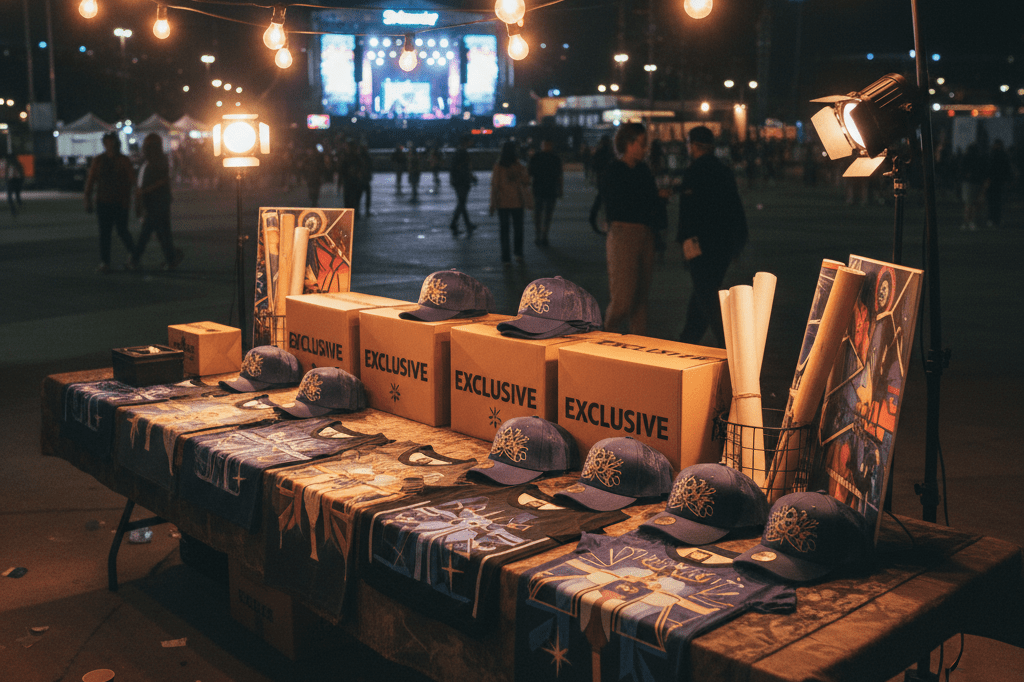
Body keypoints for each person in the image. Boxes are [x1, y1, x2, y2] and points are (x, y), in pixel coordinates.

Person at [676, 125, 748, 347]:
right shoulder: (723, 171)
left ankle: (729, 346)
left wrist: (684, 241)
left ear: (694, 146)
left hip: (701, 244)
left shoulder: (694, 171)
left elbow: (688, 212)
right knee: (703, 294)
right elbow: (735, 207)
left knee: (707, 297)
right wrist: (739, 241)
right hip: (724, 243)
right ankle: (688, 339)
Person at [601, 123, 665, 334]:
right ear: (629, 144)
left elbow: (647, 201)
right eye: (642, 143)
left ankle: (638, 347)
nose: (645, 148)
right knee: (623, 300)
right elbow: (620, 203)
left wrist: (657, 200)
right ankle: (606, 334)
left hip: (645, 233)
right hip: (623, 234)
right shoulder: (614, 170)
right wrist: (654, 198)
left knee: (640, 300)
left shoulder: (643, 169)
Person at [84, 132, 136, 273]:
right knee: (105, 234)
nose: (110, 145)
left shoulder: (123, 160)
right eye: (107, 143)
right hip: (104, 202)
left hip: (120, 202)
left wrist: (134, 198)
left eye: (112, 142)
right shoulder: (99, 160)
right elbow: (91, 180)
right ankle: (105, 262)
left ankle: (134, 255)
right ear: (105, 144)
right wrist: (87, 198)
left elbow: (132, 180)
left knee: (122, 231)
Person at [130, 133, 182, 270]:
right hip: (159, 201)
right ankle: (171, 258)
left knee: (147, 233)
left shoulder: (156, 162)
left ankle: (134, 260)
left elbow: (162, 181)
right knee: (162, 233)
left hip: (156, 202)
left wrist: (144, 193)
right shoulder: (156, 161)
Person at [489, 140, 532, 265]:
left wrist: (493, 203)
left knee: (504, 231)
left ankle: (506, 257)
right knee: (518, 229)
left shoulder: (498, 167)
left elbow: (495, 186)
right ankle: (518, 254)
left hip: (502, 203)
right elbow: (526, 181)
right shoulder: (519, 166)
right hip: (518, 202)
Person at [527, 139, 563, 247]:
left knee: (538, 213)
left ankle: (538, 235)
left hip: (538, 189)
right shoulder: (555, 158)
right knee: (548, 214)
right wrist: (560, 189)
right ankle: (544, 235)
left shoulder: (536, 157)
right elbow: (559, 176)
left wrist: (528, 188)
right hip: (551, 189)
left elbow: (529, 173)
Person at [449, 136, 477, 236]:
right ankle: (453, 223)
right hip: (463, 181)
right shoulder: (464, 153)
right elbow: (466, 168)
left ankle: (467, 224)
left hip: (457, 181)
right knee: (462, 203)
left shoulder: (457, 152)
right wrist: (471, 177)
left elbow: (453, 167)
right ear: (466, 142)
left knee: (462, 203)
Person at [588, 135, 614, 233]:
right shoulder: (610, 153)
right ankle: (605, 222)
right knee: (606, 202)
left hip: (602, 179)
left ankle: (594, 217)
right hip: (608, 180)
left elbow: (594, 166)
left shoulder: (599, 152)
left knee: (601, 199)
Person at [986, 139, 1012, 227]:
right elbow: (1007, 169)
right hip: (1000, 181)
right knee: (998, 202)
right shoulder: (1004, 155)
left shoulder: (992, 154)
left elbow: (988, 168)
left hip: (993, 181)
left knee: (992, 202)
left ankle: (991, 219)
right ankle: (996, 220)